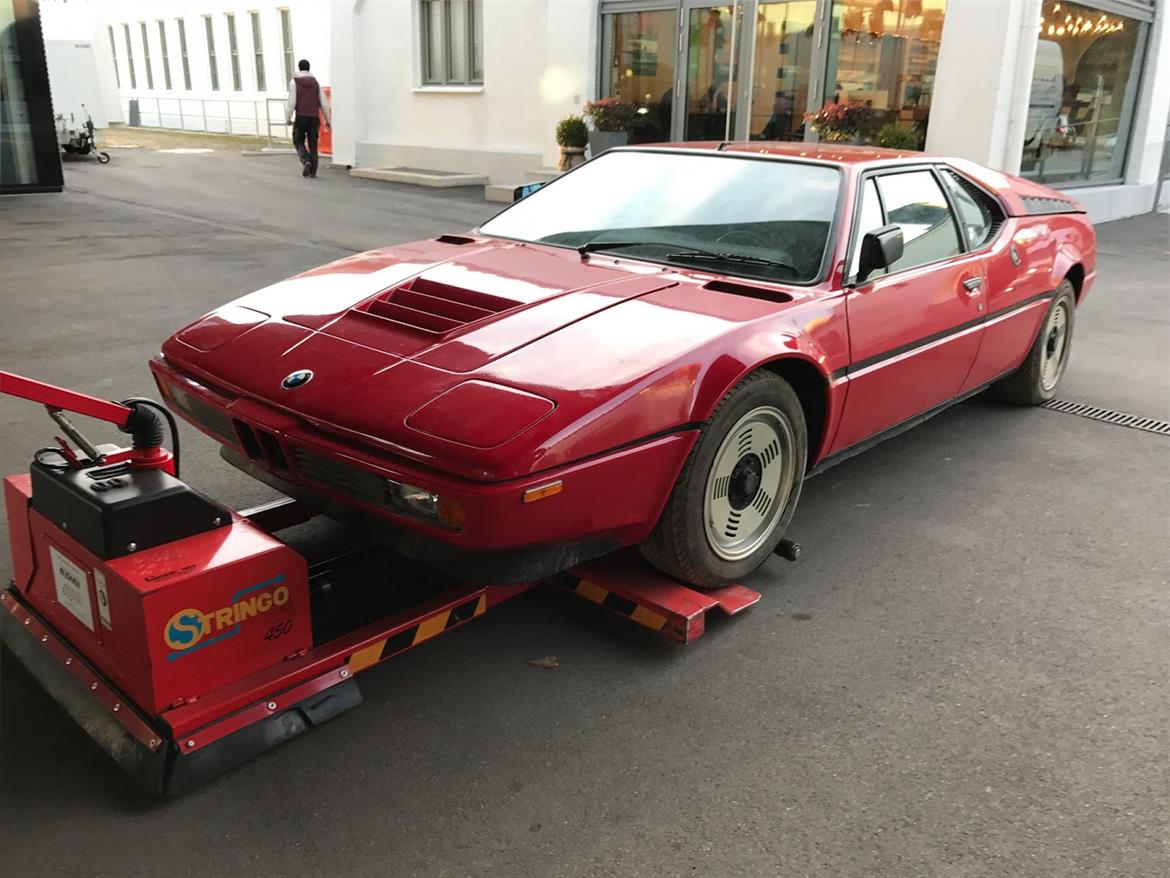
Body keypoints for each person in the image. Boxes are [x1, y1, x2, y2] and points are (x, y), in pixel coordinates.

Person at [285, 59, 331, 178]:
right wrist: (328, 120)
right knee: (313, 144)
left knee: (298, 140)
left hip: (301, 117)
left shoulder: (294, 82)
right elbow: (324, 103)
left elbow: (291, 102)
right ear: (309, 68)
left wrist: (288, 118)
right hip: (314, 118)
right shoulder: (315, 83)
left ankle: (306, 161)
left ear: (299, 68)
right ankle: (313, 171)